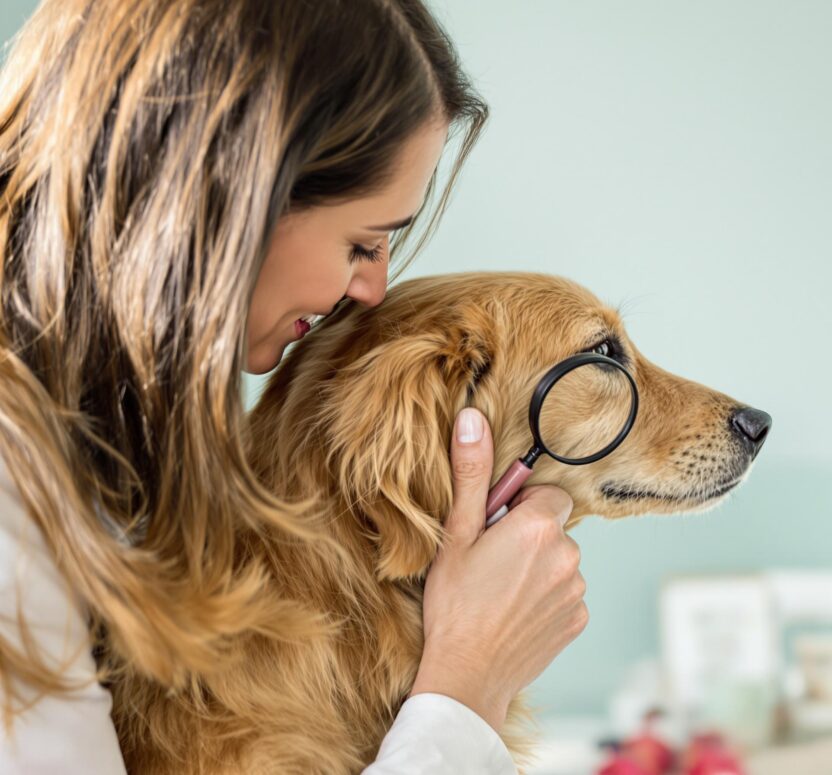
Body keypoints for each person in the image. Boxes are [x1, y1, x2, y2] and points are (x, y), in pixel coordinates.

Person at [0, 1, 589, 772]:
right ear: (228, 191)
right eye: (362, 242)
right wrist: (467, 689)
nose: (371, 289)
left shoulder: (90, 455)